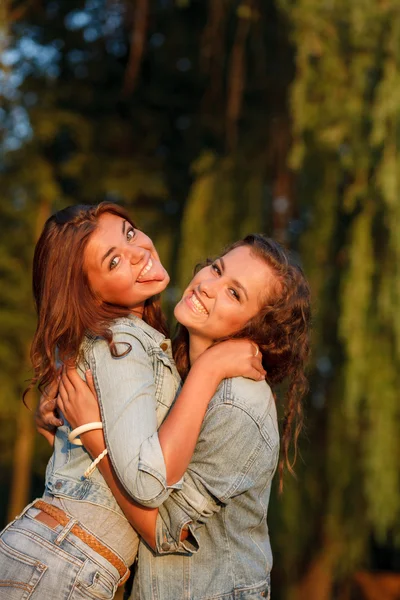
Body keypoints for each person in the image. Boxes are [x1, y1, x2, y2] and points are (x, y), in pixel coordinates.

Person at [0, 203, 265, 600]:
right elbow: (146, 483)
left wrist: (83, 432)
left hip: (61, 556)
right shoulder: (121, 342)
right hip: (63, 560)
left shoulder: (138, 342)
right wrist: (210, 369)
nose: (138, 250)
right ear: (89, 291)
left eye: (128, 233)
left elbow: (99, 475)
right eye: (114, 261)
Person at [53, 233, 311, 600]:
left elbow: (163, 531)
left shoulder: (238, 403)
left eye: (234, 293)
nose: (208, 286)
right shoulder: (176, 372)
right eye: (217, 270)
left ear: (257, 330)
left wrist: (93, 432)